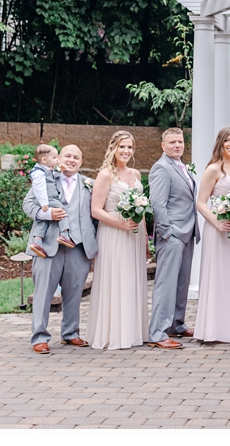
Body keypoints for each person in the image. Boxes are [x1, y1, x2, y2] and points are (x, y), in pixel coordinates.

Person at [22, 145, 97, 354]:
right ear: (58, 158)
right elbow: (27, 204)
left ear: (81, 162)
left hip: (79, 247)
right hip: (48, 246)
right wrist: (46, 214)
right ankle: (39, 337)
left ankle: (70, 333)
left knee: (74, 293)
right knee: (43, 293)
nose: (71, 160)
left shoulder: (89, 184)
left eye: (76, 157)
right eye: (67, 156)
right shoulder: (46, 178)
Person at [86, 131, 148, 350]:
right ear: (113, 148)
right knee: (116, 279)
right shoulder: (105, 175)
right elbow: (96, 210)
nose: (126, 151)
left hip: (135, 234)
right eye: (122, 147)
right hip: (113, 232)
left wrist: (146, 239)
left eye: (130, 147)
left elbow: (141, 207)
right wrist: (120, 224)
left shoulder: (136, 175)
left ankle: (132, 332)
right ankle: (113, 334)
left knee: (132, 279)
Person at [193, 127, 230, 344]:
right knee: (218, 274)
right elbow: (200, 203)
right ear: (220, 143)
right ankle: (213, 329)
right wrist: (217, 223)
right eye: (227, 140)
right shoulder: (213, 169)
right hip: (218, 228)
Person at [148, 127, 200, 350]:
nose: (177, 145)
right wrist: (167, 232)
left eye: (180, 142)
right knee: (166, 285)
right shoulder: (161, 168)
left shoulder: (182, 167)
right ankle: (158, 333)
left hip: (188, 232)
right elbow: (158, 204)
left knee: (181, 283)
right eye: (172, 142)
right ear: (163, 145)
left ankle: (176, 324)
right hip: (173, 234)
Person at [26, 144, 72, 257]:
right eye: (55, 157)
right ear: (44, 159)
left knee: (43, 220)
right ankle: (64, 234)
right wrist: (44, 204)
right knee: (62, 211)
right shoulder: (38, 172)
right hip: (48, 199)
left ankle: (37, 241)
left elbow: (50, 176)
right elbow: (39, 188)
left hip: (47, 200)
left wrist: (60, 171)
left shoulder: (46, 170)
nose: (57, 160)